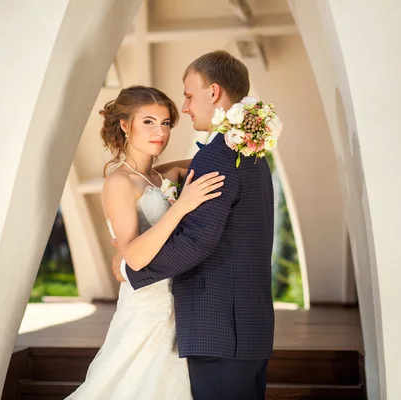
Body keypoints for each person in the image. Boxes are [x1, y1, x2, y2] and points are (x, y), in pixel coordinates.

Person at [113, 50, 275, 400]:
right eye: (150, 122)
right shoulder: (248, 149)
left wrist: (129, 270)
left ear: (213, 92)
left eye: (188, 96)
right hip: (246, 326)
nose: (185, 108)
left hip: (221, 329)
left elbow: (197, 242)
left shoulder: (220, 153)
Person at [66, 85, 224, 400]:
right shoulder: (118, 182)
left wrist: (247, 129)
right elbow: (134, 258)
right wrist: (181, 206)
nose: (160, 132)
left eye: (165, 123)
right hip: (146, 305)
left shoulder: (160, 176)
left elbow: (209, 159)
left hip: (177, 301)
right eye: (148, 122)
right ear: (125, 125)